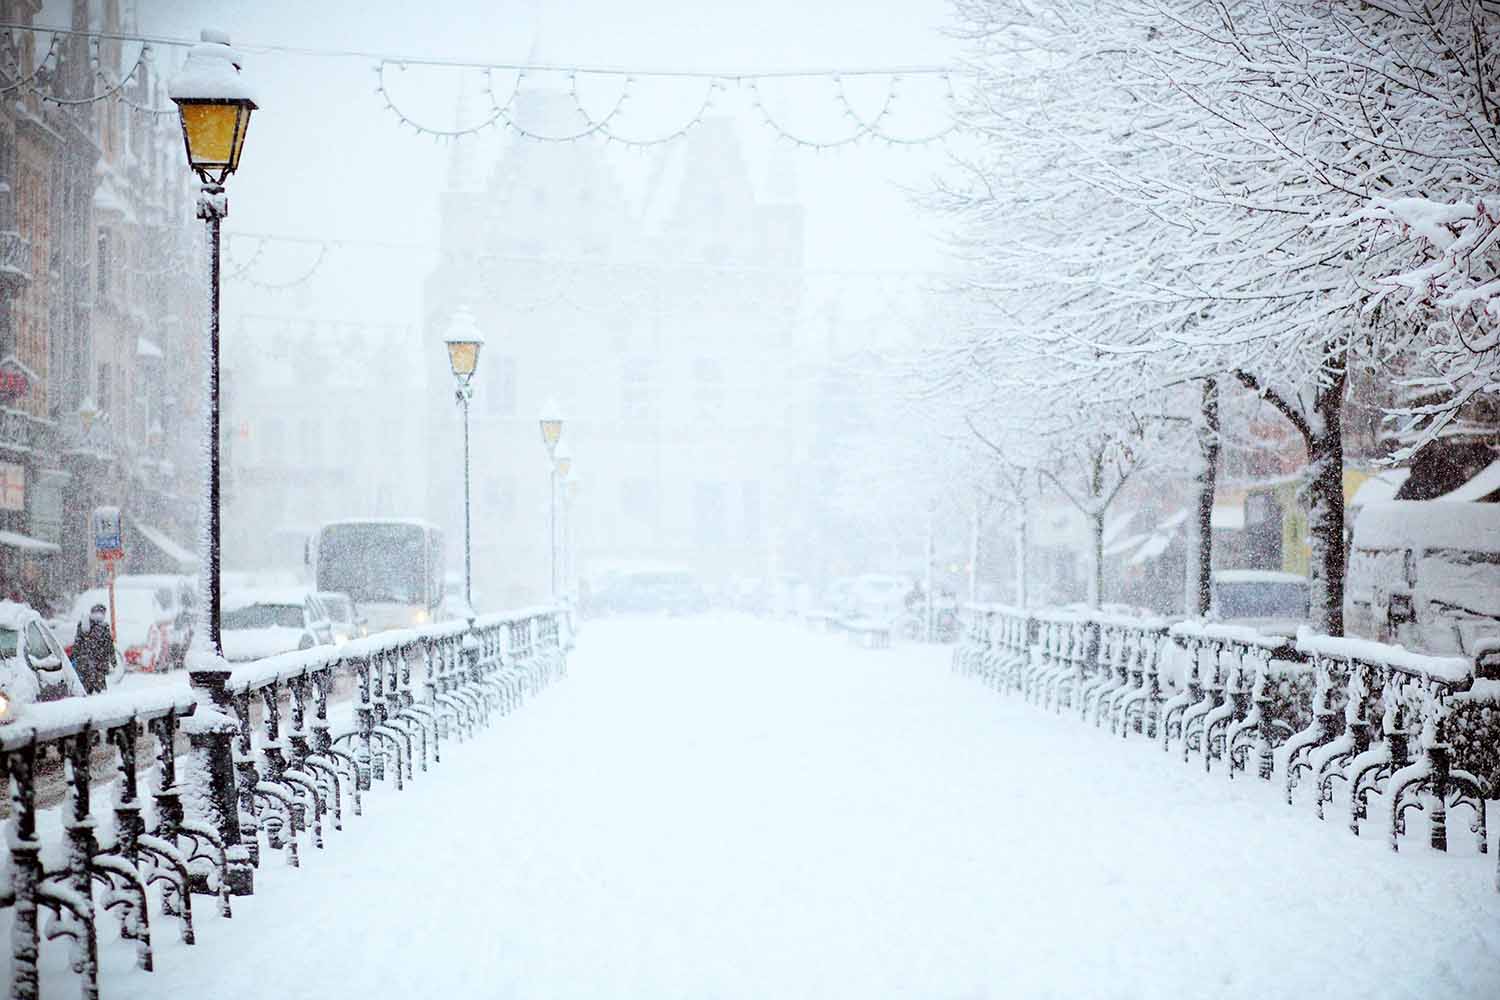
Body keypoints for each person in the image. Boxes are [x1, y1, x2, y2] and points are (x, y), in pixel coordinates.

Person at [72, 603, 114, 694]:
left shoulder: (83, 624)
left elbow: (77, 642)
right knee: (100, 691)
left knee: (86, 689)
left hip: (84, 663)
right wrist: (112, 660)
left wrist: (75, 656)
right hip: (99, 663)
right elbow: (109, 645)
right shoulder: (103, 626)